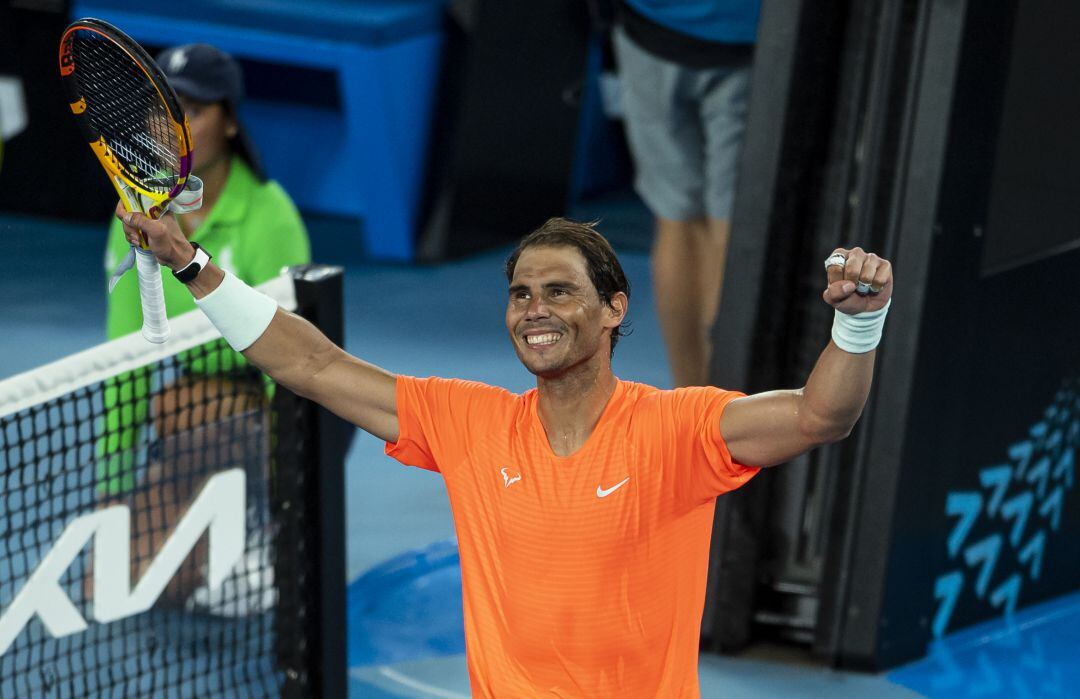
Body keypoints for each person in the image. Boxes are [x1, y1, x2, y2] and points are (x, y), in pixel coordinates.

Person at [118, 210, 892, 696]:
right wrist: (195, 267)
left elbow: (822, 415)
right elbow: (313, 365)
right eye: (521, 293)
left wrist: (858, 325)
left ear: (614, 308)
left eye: (559, 291)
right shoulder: (468, 421)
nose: (534, 311)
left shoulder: (677, 428)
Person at [101, 43, 311, 495]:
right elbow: (124, 361)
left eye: (191, 111)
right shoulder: (133, 215)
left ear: (231, 122)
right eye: (162, 112)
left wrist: (288, 478)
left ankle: (258, 512)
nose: (172, 129)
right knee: (120, 561)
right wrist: (112, 491)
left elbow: (294, 359)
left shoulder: (270, 217)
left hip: (283, 400)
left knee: (181, 408)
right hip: (192, 425)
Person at [613, 0, 761, 387]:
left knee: (679, 220)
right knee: (731, 229)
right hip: (748, 37)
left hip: (654, 27)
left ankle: (692, 412)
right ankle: (724, 420)